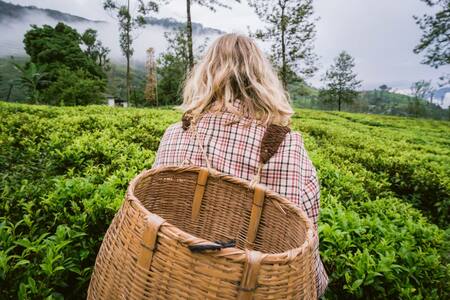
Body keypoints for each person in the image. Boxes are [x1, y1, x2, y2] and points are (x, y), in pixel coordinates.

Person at [152, 33, 328, 297]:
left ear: (206, 74)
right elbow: (306, 238)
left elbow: (154, 209)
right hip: (255, 288)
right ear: (261, 79)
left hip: (171, 282)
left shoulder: (174, 134)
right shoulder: (288, 146)